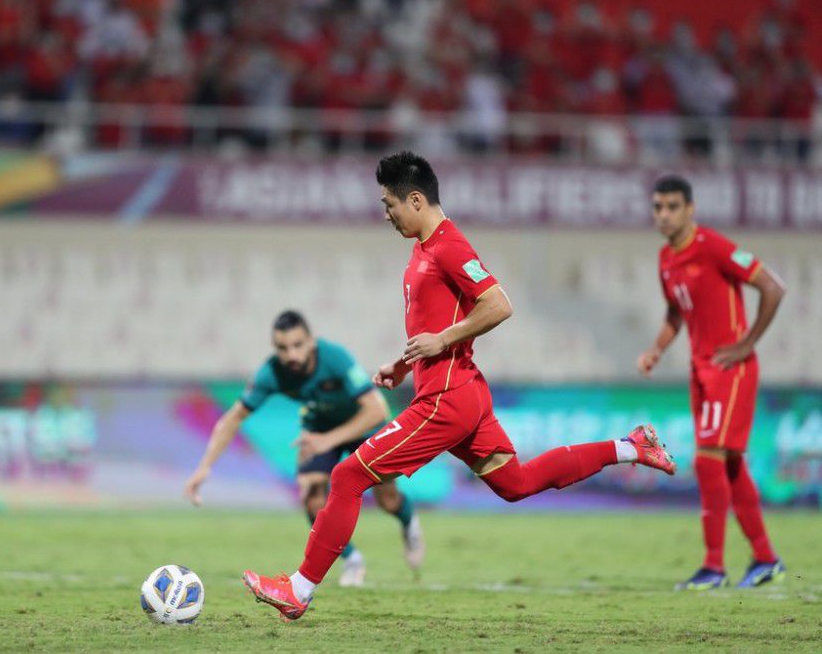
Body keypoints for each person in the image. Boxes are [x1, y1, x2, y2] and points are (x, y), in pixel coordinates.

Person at [242, 151, 676, 620]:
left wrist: (441, 342)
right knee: (516, 482)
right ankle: (631, 447)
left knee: (348, 476)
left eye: (389, 204)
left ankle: (300, 589)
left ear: (415, 199)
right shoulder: (422, 249)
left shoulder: (449, 246)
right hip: (458, 389)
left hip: (446, 401)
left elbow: (498, 304)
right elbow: (434, 327)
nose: (385, 213)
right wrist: (405, 365)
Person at [184, 310, 424, 586]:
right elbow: (233, 418)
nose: (292, 355)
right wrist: (204, 467)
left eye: (298, 345)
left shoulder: (335, 359)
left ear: (311, 341)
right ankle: (352, 560)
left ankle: (409, 524)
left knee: (388, 500)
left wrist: (328, 440)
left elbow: (377, 410)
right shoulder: (272, 372)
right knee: (312, 497)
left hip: (364, 425)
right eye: (283, 348)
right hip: (318, 428)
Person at [637, 175, 786, 590]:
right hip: (700, 369)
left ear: (690, 209)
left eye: (671, 206)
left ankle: (714, 565)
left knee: (707, 459)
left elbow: (773, 288)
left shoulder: (714, 246)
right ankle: (765, 559)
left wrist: (747, 344)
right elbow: (675, 312)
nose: (663, 215)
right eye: (657, 207)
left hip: (729, 368)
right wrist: (656, 350)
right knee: (731, 464)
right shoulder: (667, 258)